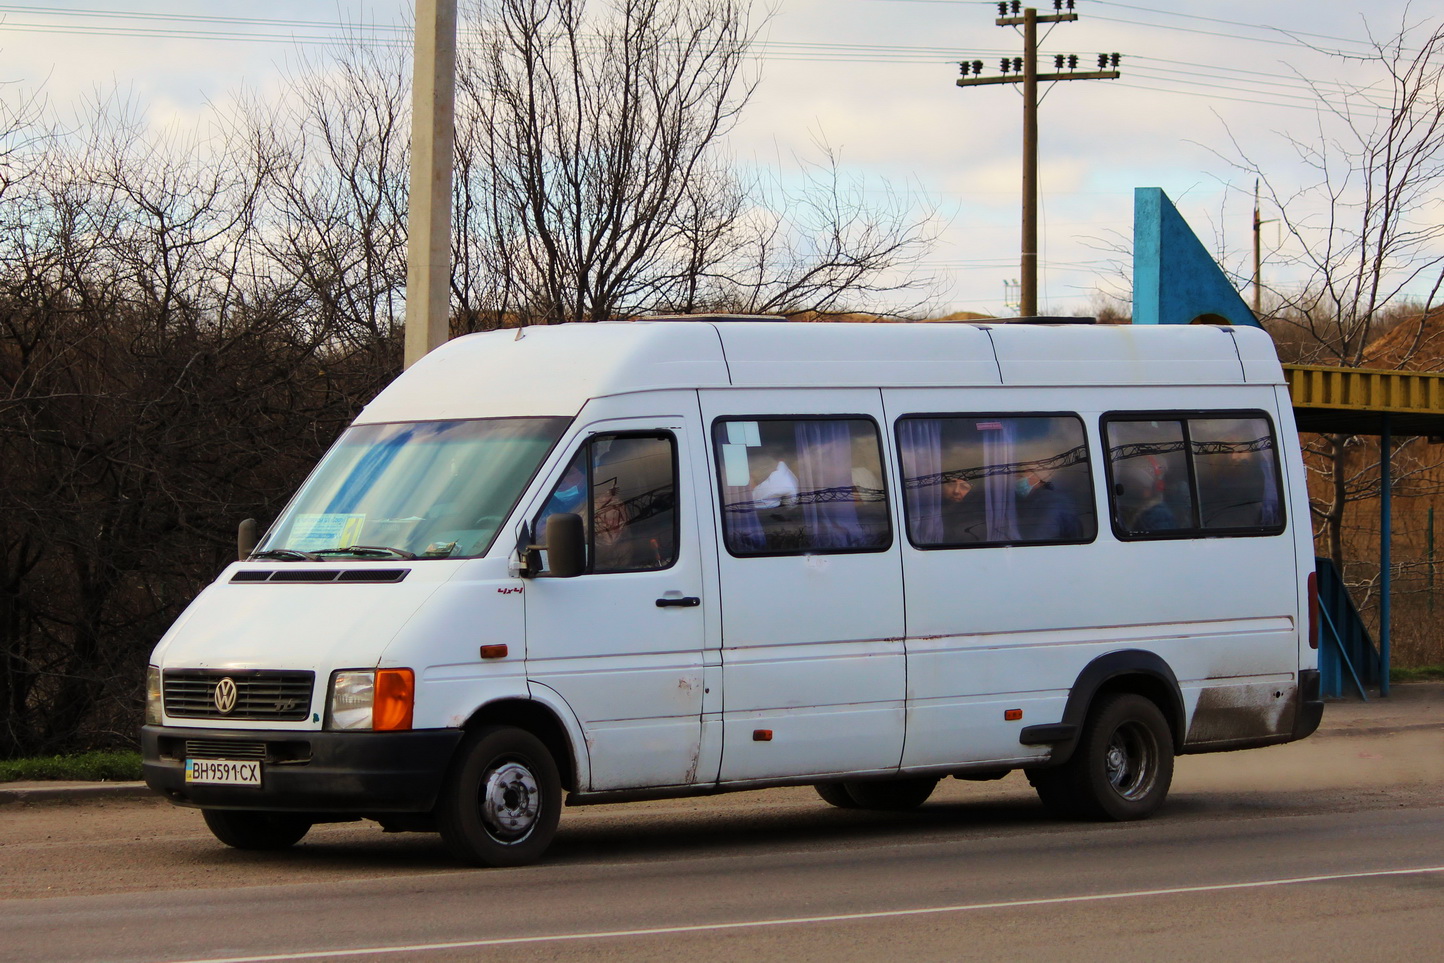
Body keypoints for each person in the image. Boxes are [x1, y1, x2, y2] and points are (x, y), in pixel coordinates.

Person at [1015, 468, 1082, 541]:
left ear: (1034, 478)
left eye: (1021, 476)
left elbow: (1040, 538)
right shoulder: (1034, 501)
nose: (1016, 481)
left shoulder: (1050, 502)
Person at [939, 472, 986, 543]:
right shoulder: (929, 513)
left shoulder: (978, 519)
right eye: (951, 484)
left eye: (964, 487)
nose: (956, 491)